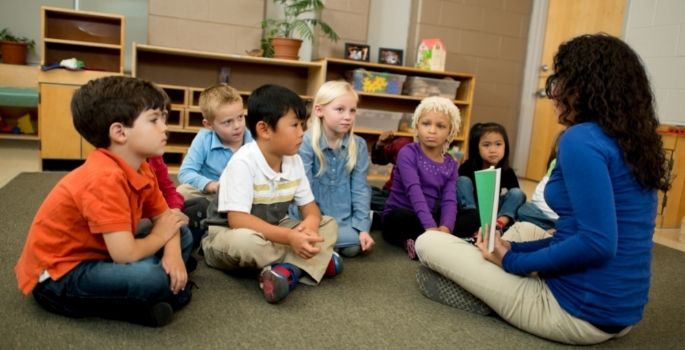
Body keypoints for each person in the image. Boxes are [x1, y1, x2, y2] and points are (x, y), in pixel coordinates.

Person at [415, 33, 670, 345]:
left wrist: (511, 262)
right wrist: (514, 250)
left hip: (575, 314)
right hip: (621, 313)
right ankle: (494, 270)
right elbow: (593, 235)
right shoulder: (636, 140)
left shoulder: (581, 139)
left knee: (429, 242)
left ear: (584, 85)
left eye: (562, 78)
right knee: (525, 231)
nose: (555, 90)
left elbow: (598, 243)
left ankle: (489, 292)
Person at [14, 76, 195, 327]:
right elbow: (125, 254)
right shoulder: (103, 178)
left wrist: (173, 254)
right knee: (150, 278)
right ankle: (161, 293)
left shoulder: (141, 167)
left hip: (104, 251)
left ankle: (163, 286)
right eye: (155, 120)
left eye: (163, 118)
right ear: (119, 132)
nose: (165, 127)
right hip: (59, 276)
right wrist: (160, 239)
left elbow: (167, 218)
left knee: (182, 234)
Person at [201, 84, 342, 304]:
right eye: (294, 125)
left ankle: (287, 273)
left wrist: (311, 226)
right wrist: (291, 238)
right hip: (228, 233)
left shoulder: (293, 160)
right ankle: (310, 262)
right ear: (264, 130)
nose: (301, 133)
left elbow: (310, 208)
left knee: (329, 224)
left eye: (302, 125)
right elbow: (237, 219)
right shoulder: (243, 162)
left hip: (275, 230)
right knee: (249, 243)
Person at [292, 81, 374, 257]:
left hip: (343, 220)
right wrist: (312, 224)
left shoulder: (357, 145)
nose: (348, 116)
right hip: (311, 217)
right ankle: (331, 245)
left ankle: (334, 244)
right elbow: (303, 190)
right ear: (319, 110)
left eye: (352, 110)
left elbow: (360, 189)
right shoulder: (305, 142)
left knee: (354, 246)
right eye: (340, 109)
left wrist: (363, 229)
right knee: (340, 244)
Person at [381, 96, 461, 259]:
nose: (432, 130)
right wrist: (431, 228)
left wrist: (445, 228)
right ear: (417, 126)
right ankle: (423, 241)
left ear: (450, 131)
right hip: (403, 215)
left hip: (429, 216)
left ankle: (428, 241)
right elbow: (414, 191)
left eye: (440, 126)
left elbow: (449, 200)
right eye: (426, 124)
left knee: (471, 217)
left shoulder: (451, 164)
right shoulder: (408, 153)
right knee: (399, 219)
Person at [176, 84, 253, 245]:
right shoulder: (204, 138)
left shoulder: (253, 140)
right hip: (212, 194)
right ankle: (205, 224)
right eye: (227, 122)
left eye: (240, 117)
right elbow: (186, 172)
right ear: (209, 125)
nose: (237, 125)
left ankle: (218, 224)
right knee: (182, 192)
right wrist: (211, 185)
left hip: (244, 196)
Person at [454, 122, 526, 237]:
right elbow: (460, 192)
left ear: (505, 146)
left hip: (494, 212)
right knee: (462, 180)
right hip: (472, 210)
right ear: (476, 148)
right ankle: (472, 221)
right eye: (486, 145)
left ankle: (499, 225)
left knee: (518, 193)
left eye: (498, 144)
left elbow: (515, 198)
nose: (493, 150)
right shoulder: (467, 167)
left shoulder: (507, 171)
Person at [516, 131, 564, 231]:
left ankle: (558, 228)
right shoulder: (555, 163)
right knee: (523, 209)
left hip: (559, 216)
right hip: (541, 212)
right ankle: (555, 228)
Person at [369, 131, 412, 214]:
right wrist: (380, 144)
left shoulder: (442, 156)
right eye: (426, 125)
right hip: (387, 194)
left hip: (408, 202)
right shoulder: (403, 144)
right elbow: (379, 159)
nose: (431, 131)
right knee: (356, 191)